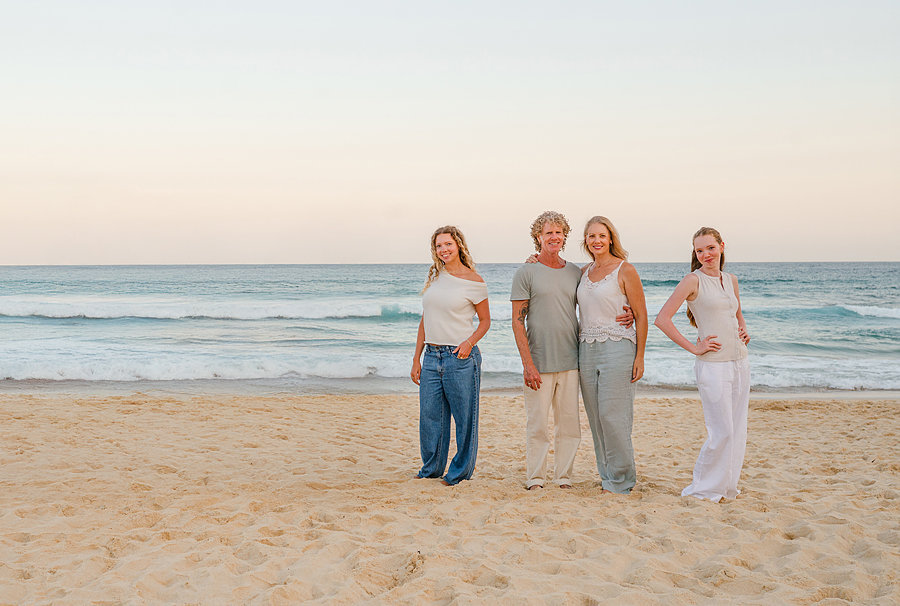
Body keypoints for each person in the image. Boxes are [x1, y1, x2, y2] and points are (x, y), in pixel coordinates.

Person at [511, 211, 633, 490]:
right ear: (538, 237)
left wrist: (629, 314)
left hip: (572, 360)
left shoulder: (575, 272)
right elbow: (518, 322)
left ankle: (563, 477)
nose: (553, 237)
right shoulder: (525, 272)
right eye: (547, 233)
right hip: (538, 361)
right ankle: (536, 478)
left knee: (569, 426)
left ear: (565, 236)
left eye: (558, 232)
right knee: (538, 425)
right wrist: (527, 363)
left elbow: (598, 299)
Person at [654, 227, 751, 502]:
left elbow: (737, 313)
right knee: (721, 431)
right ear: (695, 254)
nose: (706, 254)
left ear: (721, 246)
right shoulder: (692, 280)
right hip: (713, 365)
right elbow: (662, 319)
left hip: (740, 362)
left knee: (737, 428)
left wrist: (744, 330)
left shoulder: (730, 279)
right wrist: (695, 348)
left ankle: (726, 487)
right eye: (699, 250)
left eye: (710, 248)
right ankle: (704, 489)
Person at [411, 226, 490, 486]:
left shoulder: (474, 281)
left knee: (465, 420)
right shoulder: (435, 277)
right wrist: (417, 358)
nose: (443, 249)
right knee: (431, 418)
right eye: (438, 246)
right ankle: (431, 468)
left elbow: (485, 322)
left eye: (448, 244)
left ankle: (458, 473)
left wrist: (469, 343)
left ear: (459, 245)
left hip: (460, 358)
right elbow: (426, 319)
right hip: (432, 357)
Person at [577, 216, 647, 494]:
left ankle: (621, 479)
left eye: (602, 236)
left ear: (610, 239)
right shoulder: (582, 272)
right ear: (586, 241)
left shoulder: (625, 270)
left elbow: (640, 315)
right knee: (595, 417)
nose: (596, 241)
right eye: (591, 236)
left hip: (619, 348)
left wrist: (639, 357)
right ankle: (607, 475)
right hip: (586, 349)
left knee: (613, 415)